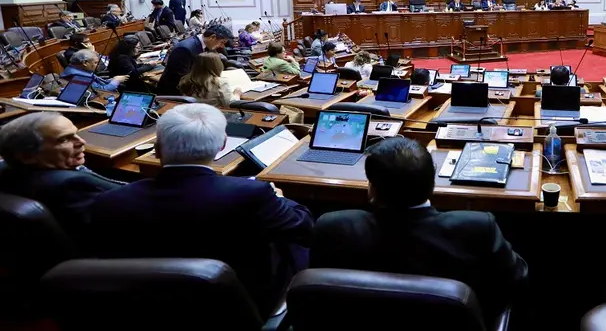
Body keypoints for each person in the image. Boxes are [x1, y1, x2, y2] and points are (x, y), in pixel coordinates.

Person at [90, 104, 313, 317]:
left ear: (156, 149)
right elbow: (303, 228)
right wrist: (281, 199)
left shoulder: (109, 202)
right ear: (222, 144)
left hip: (149, 307)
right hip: (240, 307)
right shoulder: (253, 194)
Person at [311, 137, 527, 318]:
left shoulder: (332, 227)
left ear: (372, 189)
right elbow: (515, 278)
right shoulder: (477, 228)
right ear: (432, 182)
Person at [0, 113, 122, 238]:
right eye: (64, 139)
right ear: (27, 156)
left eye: (76, 134)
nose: (81, 141)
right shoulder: (72, 187)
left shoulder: (7, 170)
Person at [156, 24, 233, 95]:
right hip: (174, 94)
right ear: (212, 37)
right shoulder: (184, 49)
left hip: (195, 88)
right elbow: (181, 80)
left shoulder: (207, 46)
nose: (222, 46)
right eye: (222, 42)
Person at [61, 49, 127, 92]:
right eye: (95, 63)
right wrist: (116, 81)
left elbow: (99, 81)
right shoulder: (80, 77)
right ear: (85, 63)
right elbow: (101, 90)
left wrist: (112, 80)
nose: (97, 65)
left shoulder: (76, 69)